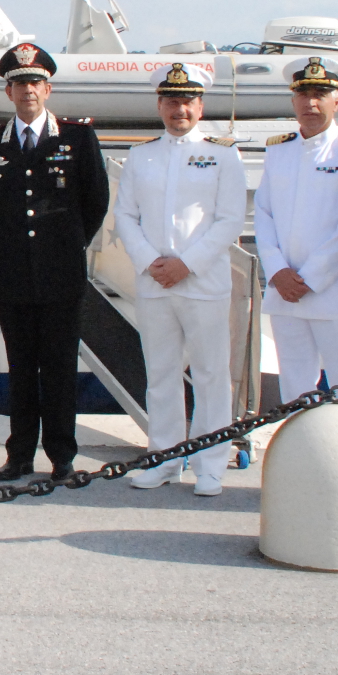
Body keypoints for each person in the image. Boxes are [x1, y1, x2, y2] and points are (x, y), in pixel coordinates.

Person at [0, 44, 110, 484]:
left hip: (61, 274)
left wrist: (65, 244)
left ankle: (62, 456)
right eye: (18, 83)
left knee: (59, 368)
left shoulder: (77, 137)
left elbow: (95, 202)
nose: (27, 90)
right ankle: (19, 456)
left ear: (47, 88)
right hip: (13, 274)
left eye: (34, 82)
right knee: (20, 368)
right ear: (8, 91)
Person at [115, 62, 247, 495]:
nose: (180, 109)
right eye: (172, 101)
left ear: (200, 105)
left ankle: (210, 464)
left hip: (203, 281)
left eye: (188, 100)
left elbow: (230, 220)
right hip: (155, 282)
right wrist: (152, 261)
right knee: (162, 373)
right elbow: (126, 216)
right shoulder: (142, 155)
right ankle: (163, 458)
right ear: (160, 104)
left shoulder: (224, 153)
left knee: (211, 375)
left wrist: (186, 263)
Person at [258, 57, 338, 409]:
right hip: (285, 292)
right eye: (303, 94)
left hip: (335, 293)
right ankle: (299, 458)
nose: (311, 102)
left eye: (320, 94)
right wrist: (278, 271)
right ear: (293, 100)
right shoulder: (278, 150)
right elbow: (263, 213)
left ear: (337, 100)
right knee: (294, 388)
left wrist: (309, 278)